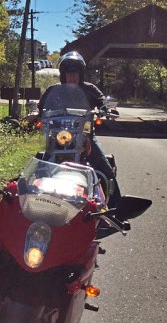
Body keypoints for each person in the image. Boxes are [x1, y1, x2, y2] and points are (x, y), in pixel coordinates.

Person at [37, 51, 123, 211]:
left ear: (81, 74)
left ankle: (117, 209)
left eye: (75, 73)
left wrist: (105, 108)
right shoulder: (53, 90)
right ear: (63, 75)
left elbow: (102, 100)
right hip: (58, 138)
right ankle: (29, 206)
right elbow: (41, 107)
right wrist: (35, 114)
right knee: (38, 169)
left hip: (85, 138)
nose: (72, 77)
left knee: (104, 169)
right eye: (69, 74)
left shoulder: (89, 89)